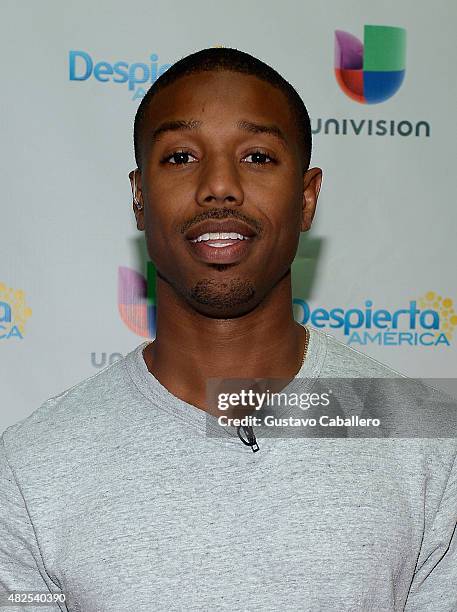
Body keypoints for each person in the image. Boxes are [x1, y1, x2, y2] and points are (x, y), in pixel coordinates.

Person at [1, 47, 456, 612]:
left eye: (258, 156)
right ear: (139, 196)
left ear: (308, 196)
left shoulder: (429, 443)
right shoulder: (28, 471)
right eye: (181, 156)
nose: (220, 186)